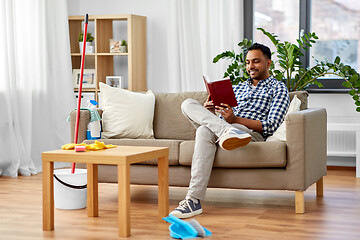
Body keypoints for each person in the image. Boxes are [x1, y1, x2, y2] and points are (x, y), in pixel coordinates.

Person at [170, 43, 290, 219]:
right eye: (248, 62)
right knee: (187, 104)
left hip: (246, 132)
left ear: (269, 63)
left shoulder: (278, 88)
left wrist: (235, 121)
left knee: (204, 131)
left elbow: (271, 125)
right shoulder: (237, 87)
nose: (251, 66)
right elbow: (221, 114)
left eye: (256, 61)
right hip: (224, 128)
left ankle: (193, 200)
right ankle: (226, 131)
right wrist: (210, 111)